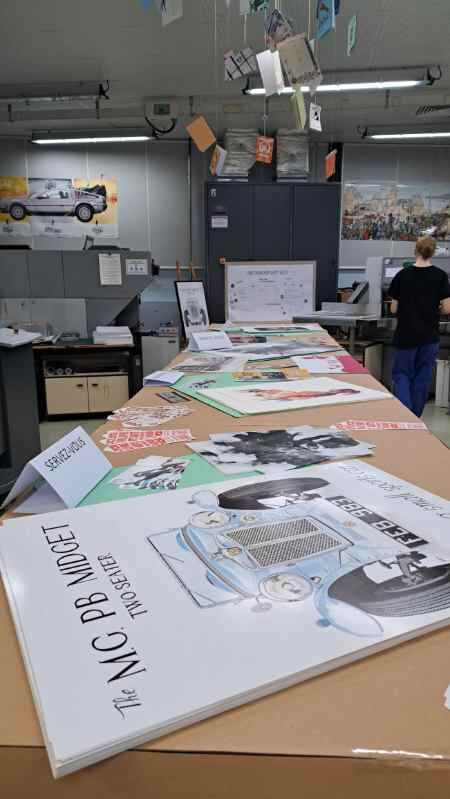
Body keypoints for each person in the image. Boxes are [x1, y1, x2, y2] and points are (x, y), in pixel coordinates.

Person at [389, 236, 450, 416]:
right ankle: (415, 417)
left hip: (406, 335)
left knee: (402, 375)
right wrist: (433, 309)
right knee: (422, 377)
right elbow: (447, 308)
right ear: (433, 252)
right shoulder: (440, 276)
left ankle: (405, 415)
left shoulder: (402, 275)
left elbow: (393, 308)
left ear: (415, 251)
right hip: (429, 336)